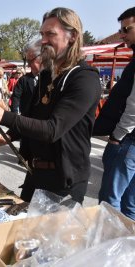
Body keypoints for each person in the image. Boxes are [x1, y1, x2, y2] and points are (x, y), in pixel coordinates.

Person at [0, 7, 101, 203]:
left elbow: (53, 129)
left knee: (50, 234)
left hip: (64, 180)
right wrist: (10, 135)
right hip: (35, 172)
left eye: (50, 34)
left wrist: (4, 117)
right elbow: (33, 116)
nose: (43, 40)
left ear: (73, 36)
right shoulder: (46, 75)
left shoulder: (84, 78)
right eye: (42, 34)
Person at [94, 7, 135, 220]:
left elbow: (133, 106)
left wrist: (118, 135)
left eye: (126, 29)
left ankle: (109, 247)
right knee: (130, 203)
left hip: (128, 141)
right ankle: (127, 248)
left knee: (110, 201)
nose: (122, 35)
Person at [10, 40, 42, 115]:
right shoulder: (23, 80)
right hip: (27, 118)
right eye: (27, 62)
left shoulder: (51, 78)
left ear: (41, 58)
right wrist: (15, 114)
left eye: (30, 61)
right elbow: (16, 97)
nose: (28, 65)